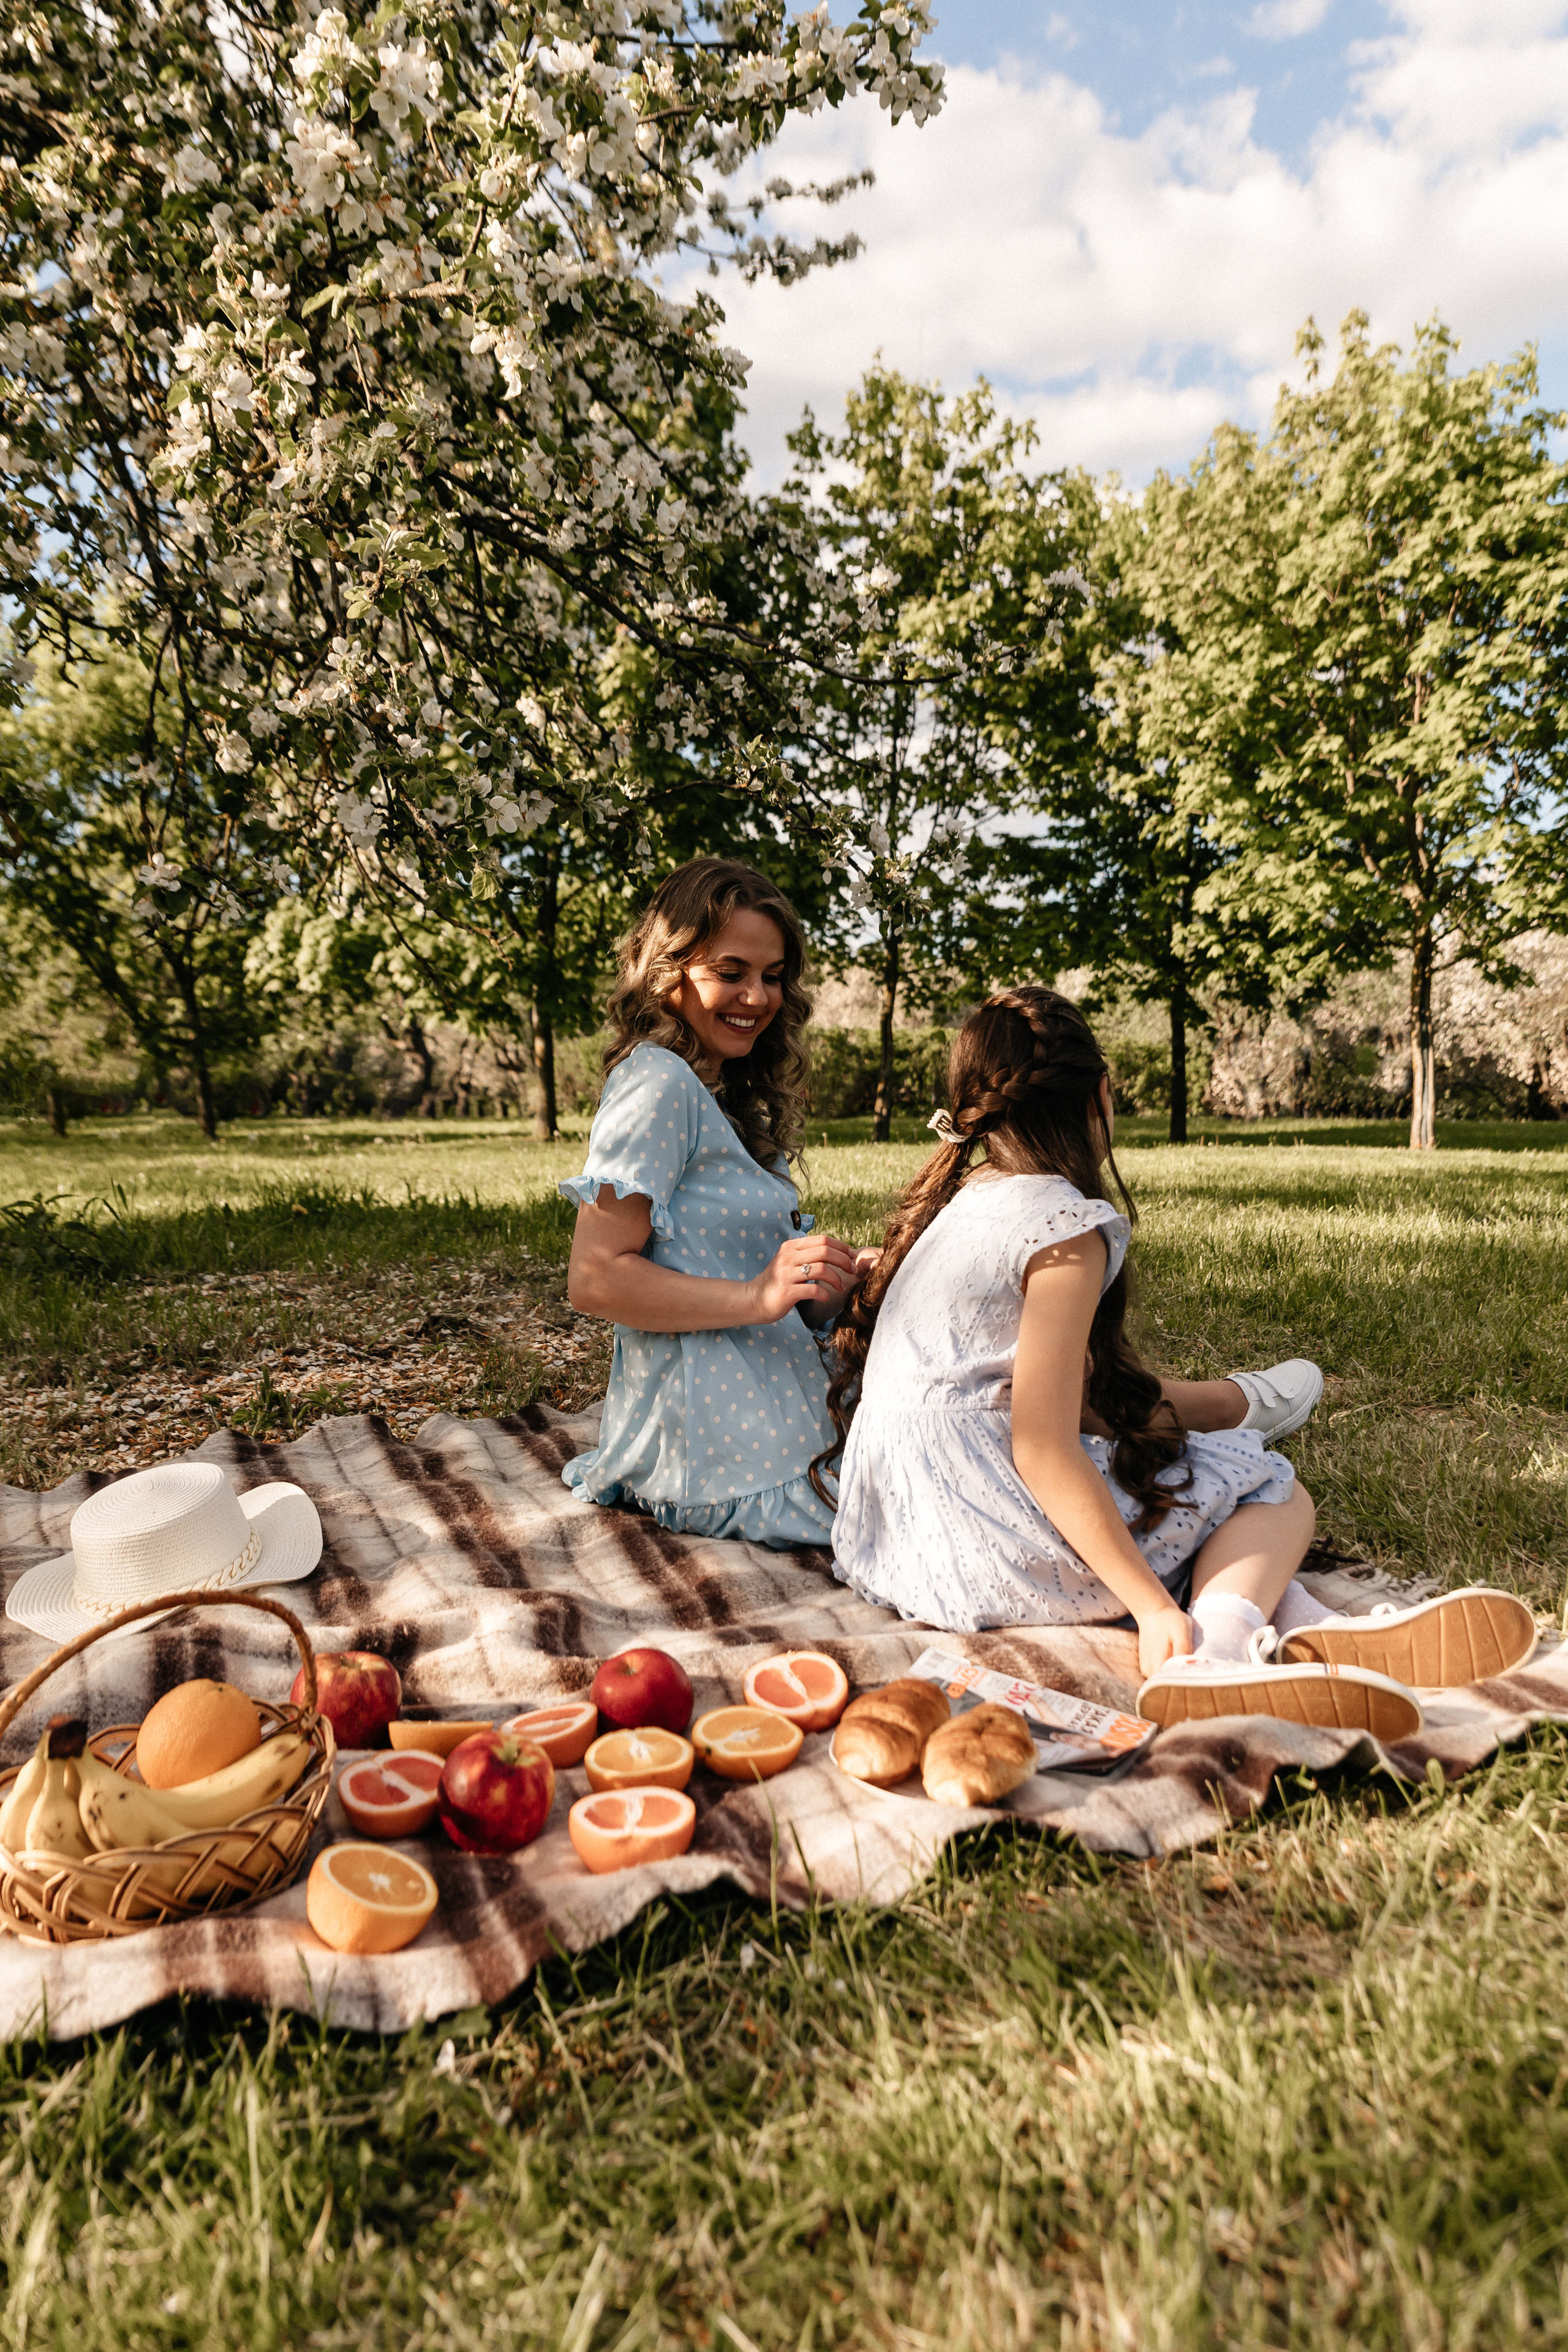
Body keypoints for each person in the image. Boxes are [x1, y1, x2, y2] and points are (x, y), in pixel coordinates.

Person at [818, 987, 1536, 1721]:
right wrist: (1151, 1607)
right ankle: (1213, 1657)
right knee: (1267, 1486)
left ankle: (1310, 1630)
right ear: (1100, 1095)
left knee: (1193, 1509)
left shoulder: (958, 1201)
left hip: (897, 1540)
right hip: (987, 1543)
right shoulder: (1060, 1226)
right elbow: (1041, 1446)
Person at [559, 858, 861, 1546]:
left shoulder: (723, 1096)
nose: (757, 996)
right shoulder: (656, 1082)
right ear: (668, 972)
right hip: (714, 1455)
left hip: (776, 1410)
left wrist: (821, 1285)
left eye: (773, 976)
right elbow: (595, 1279)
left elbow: (736, 1274)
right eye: (731, 971)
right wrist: (757, 1296)